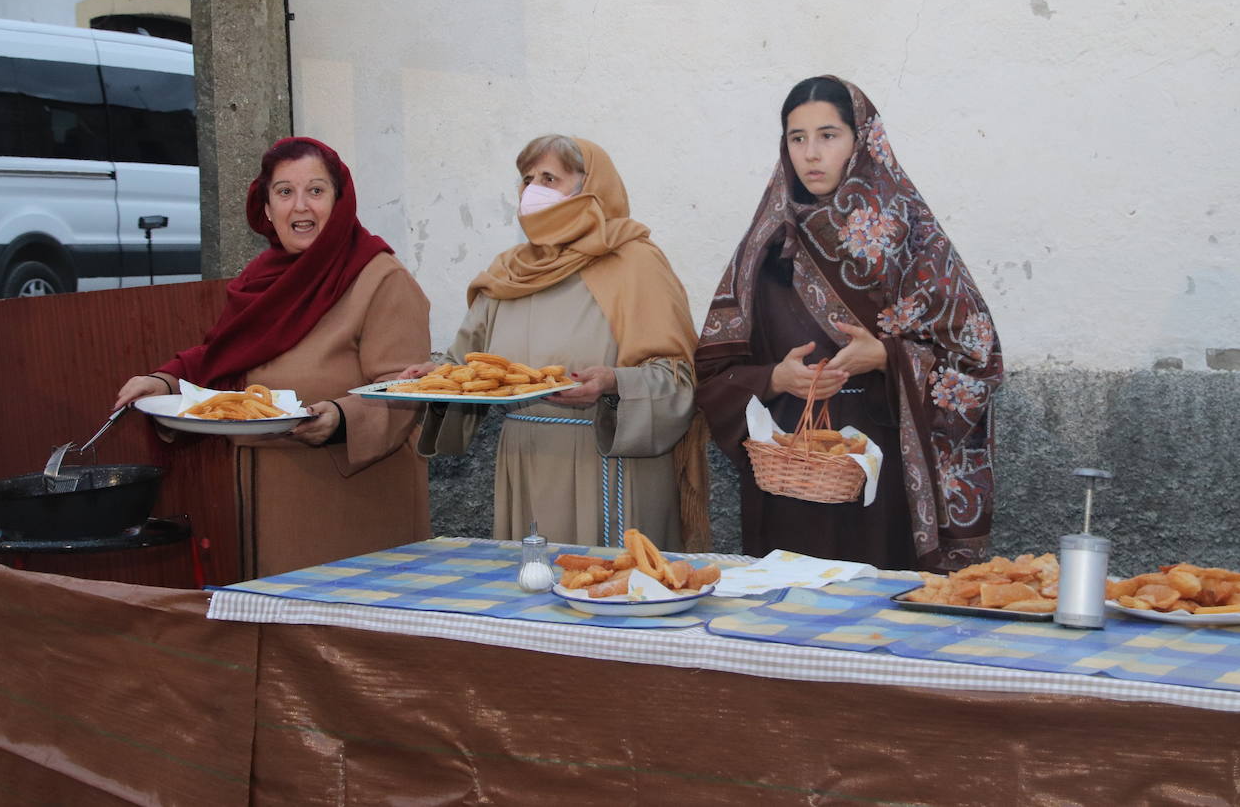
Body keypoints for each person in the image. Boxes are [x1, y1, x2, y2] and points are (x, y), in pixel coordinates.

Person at [695, 77, 1002, 571]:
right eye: (797, 138)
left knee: (876, 618)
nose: (811, 153)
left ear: (862, 142)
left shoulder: (911, 237)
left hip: (883, 478)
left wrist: (886, 357)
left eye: (828, 135)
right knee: (785, 615)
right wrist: (775, 378)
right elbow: (713, 370)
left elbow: (976, 358)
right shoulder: (767, 245)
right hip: (790, 472)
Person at [113, 137, 431, 577]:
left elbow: (407, 386)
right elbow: (226, 355)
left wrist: (340, 418)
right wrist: (167, 383)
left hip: (348, 515)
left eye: (316, 191)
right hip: (260, 508)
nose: (300, 206)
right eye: (284, 192)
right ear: (266, 209)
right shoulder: (261, 279)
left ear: (340, 202)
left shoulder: (380, 279)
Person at [407, 136, 709, 551]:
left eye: (551, 178)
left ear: (591, 188)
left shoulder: (634, 263)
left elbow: (679, 378)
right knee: (531, 590)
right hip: (524, 462)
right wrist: (436, 375)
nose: (533, 191)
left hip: (607, 463)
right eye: (528, 179)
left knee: (607, 596)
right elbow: (467, 366)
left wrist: (615, 384)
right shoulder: (509, 272)